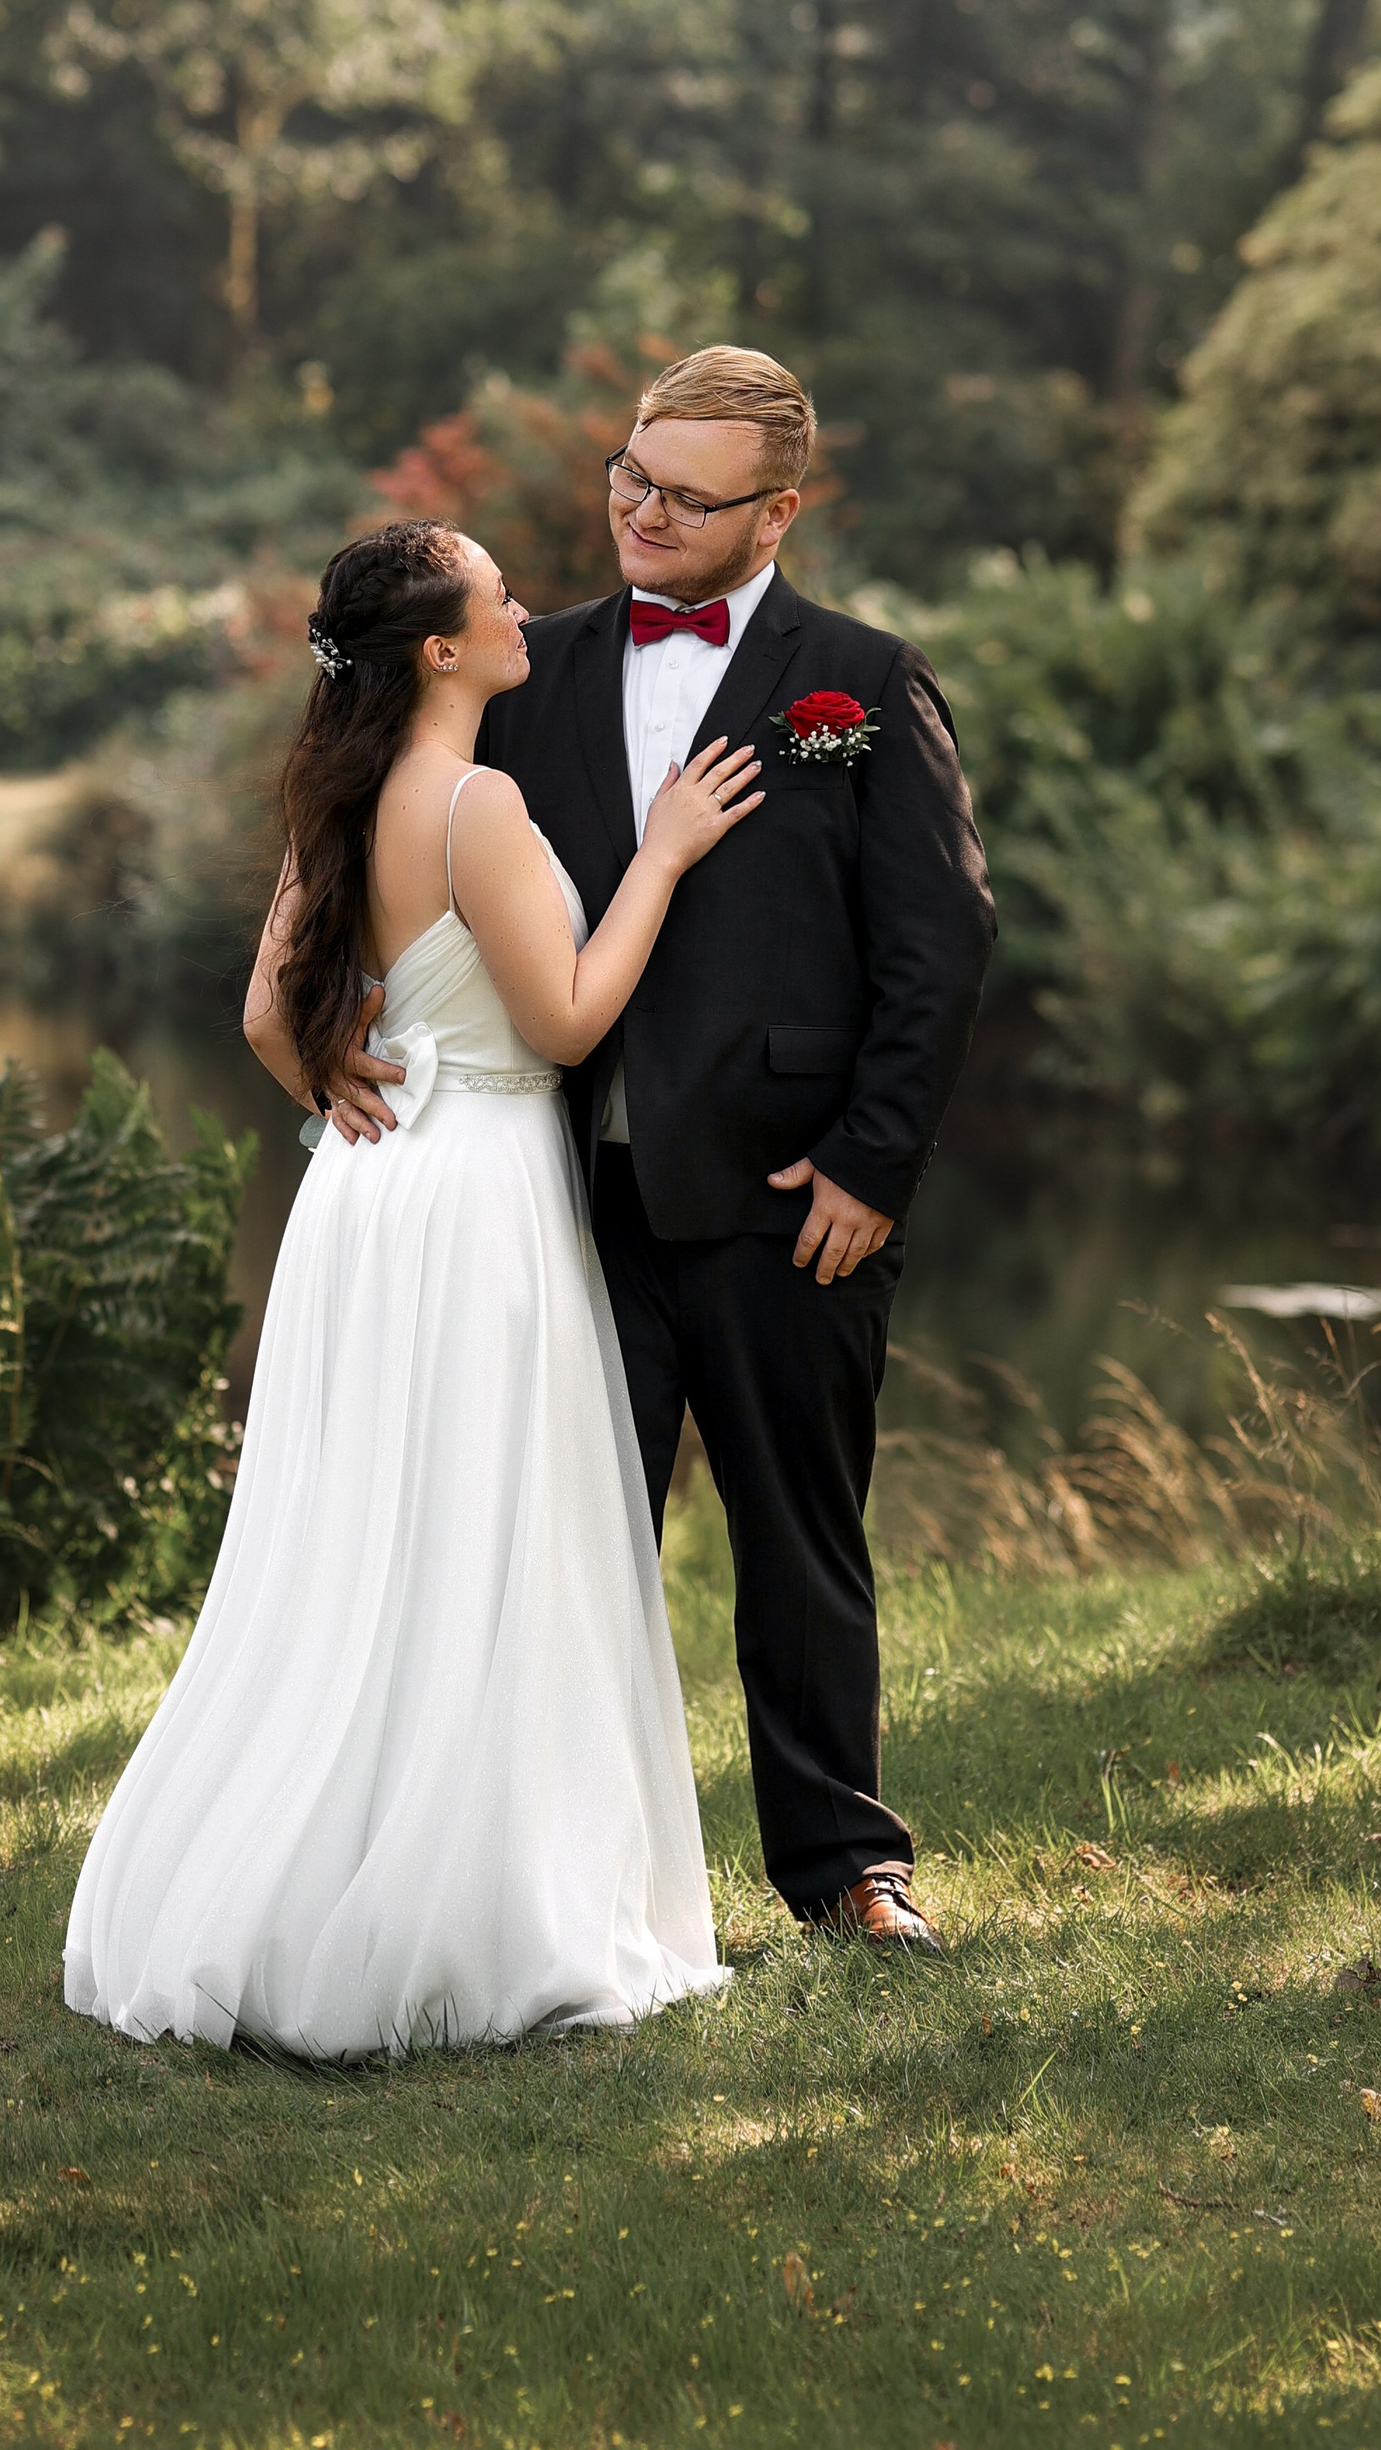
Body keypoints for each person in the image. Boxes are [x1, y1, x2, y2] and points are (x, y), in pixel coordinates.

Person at [63, 518, 763, 2058]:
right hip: (481, 1200)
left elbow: (265, 1011)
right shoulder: (476, 801)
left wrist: (336, 1089)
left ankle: (306, 1878)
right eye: (494, 589)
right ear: (441, 648)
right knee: (483, 1537)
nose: (525, 600)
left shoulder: (344, 795)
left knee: (358, 1541)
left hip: (367, 1197)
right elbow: (570, 1021)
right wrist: (661, 854)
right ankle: (474, 1907)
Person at [476, 345, 995, 1952]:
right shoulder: (527, 673)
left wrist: (870, 1162)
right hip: (563, 1195)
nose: (640, 510)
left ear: (779, 510)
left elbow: (942, 943)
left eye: (686, 497)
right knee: (566, 1549)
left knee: (800, 1543)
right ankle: (559, 1881)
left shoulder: (862, 680)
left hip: (791, 1200)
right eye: (631, 474)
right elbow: (421, 869)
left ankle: (848, 1868)